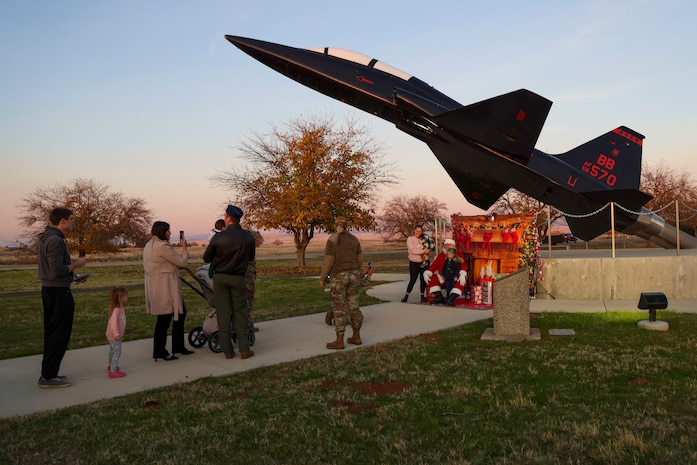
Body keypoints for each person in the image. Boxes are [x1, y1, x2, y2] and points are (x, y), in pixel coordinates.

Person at [37, 207, 87, 388]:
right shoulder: (55, 240)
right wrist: (77, 264)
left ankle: (49, 373)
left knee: (52, 332)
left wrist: (73, 277)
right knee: (59, 333)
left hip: (51, 290)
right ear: (63, 221)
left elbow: (54, 271)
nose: (73, 222)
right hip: (58, 292)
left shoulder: (46, 238)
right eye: (72, 219)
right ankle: (49, 377)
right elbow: (56, 270)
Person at [203, 205, 256, 360]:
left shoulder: (219, 237)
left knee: (223, 313)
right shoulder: (248, 237)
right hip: (239, 277)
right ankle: (244, 349)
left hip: (220, 278)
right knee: (240, 312)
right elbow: (250, 257)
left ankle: (227, 351)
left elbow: (207, 258)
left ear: (228, 218)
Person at [143, 221, 193, 361]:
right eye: (168, 231)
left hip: (156, 286)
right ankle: (161, 350)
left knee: (173, 316)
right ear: (162, 232)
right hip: (165, 287)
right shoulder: (163, 246)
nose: (170, 233)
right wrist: (184, 248)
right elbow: (182, 262)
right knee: (165, 319)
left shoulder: (149, 245)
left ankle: (175, 347)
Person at [320, 216, 364, 350]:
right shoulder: (354, 239)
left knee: (339, 308)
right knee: (354, 306)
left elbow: (328, 261)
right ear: (347, 226)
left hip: (339, 276)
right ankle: (356, 337)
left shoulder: (332, 239)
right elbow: (360, 260)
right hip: (354, 275)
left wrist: (323, 277)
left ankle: (339, 341)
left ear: (335, 226)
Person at [423, 238, 467, 305]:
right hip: (443, 277)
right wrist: (427, 273)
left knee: (462, 280)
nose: (447, 246)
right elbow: (434, 266)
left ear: (453, 246)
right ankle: (439, 297)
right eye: (446, 245)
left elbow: (463, 266)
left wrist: (462, 274)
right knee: (430, 277)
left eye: (449, 245)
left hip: (454, 277)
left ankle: (451, 298)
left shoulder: (458, 255)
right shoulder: (441, 255)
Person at [401, 225, 431, 303]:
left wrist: (427, 251)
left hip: (424, 262)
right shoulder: (410, 239)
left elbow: (428, 248)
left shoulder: (424, 239)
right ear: (414, 231)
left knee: (423, 279)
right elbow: (413, 250)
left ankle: (422, 296)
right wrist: (423, 251)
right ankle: (406, 295)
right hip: (414, 262)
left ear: (422, 232)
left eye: (420, 231)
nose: (418, 232)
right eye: (417, 231)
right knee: (413, 279)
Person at [106, 287, 128, 378]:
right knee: (117, 353)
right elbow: (113, 324)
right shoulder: (116, 310)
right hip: (114, 336)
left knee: (112, 351)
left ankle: (111, 366)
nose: (127, 297)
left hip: (112, 335)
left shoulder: (118, 309)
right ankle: (113, 371)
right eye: (126, 295)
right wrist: (116, 334)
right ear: (120, 298)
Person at [245, 231, 264, 331]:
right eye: (259, 240)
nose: (261, 242)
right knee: (247, 301)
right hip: (247, 279)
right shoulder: (248, 249)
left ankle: (246, 324)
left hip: (248, 277)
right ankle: (246, 326)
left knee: (247, 301)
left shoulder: (247, 248)